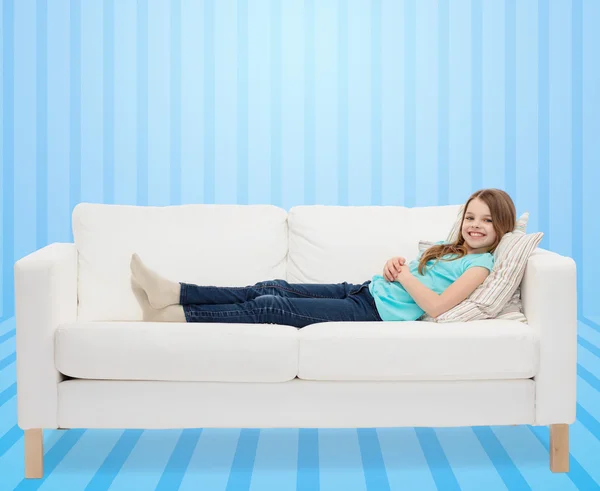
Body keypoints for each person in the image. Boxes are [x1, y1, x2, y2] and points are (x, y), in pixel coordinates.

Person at [130, 188, 517, 327]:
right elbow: (414, 275)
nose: (475, 225)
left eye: (486, 220)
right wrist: (394, 267)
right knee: (271, 286)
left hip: (375, 313)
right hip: (365, 290)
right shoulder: (452, 249)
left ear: (501, 227)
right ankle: (176, 291)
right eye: (470, 217)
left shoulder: (480, 265)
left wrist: (403, 278)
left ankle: (177, 313)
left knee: (272, 307)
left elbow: (434, 306)